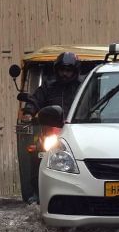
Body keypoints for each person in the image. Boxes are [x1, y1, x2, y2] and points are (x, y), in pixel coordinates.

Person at [19, 51, 83, 203]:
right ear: (57, 70)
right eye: (62, 70)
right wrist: (29, 112)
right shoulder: (48, 87)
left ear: (75, 71)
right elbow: (35, 100)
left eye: (68, 70)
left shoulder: (83, 88)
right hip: (51, 131)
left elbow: (93, 104)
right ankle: (37, 192)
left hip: (78, 132)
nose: (65, 74)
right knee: (37, 153)